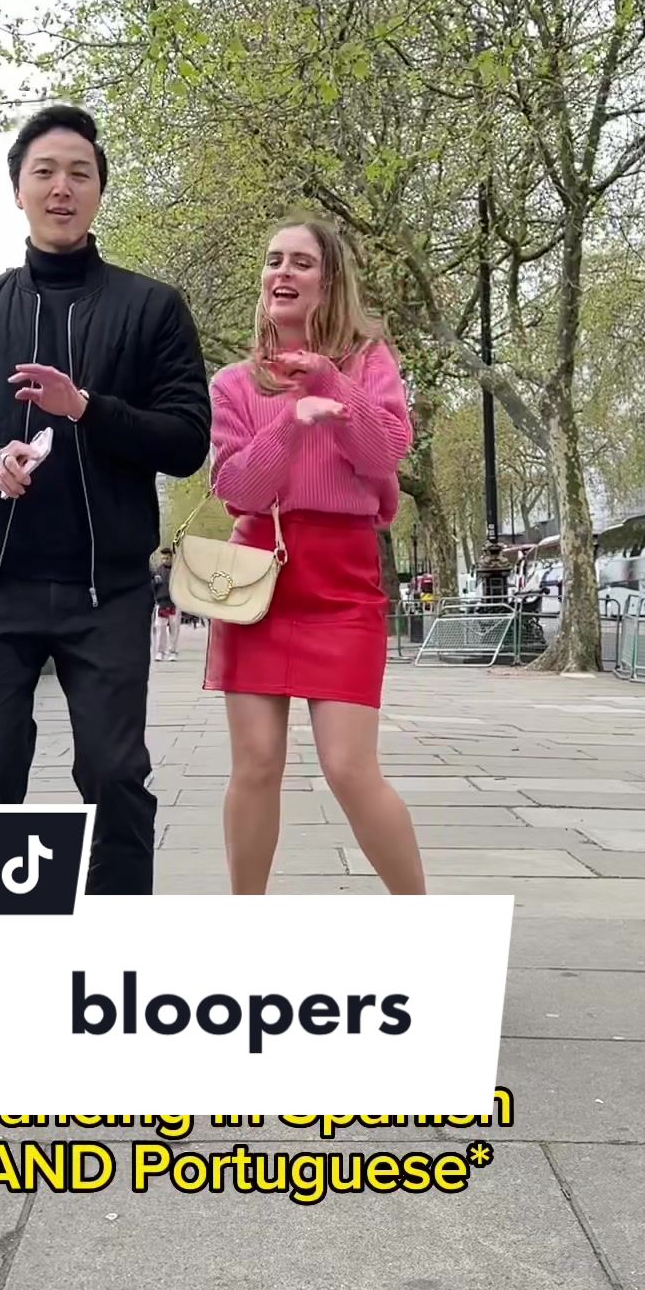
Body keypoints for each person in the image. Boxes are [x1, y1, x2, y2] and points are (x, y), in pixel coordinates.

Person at [0, 102, 211, 1033]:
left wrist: (89, 411)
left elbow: (187, 439)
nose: (61, 187)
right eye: (44, 171)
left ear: (98, 192)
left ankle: (114, 989)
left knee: (115, 774)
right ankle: (5, 997)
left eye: (79, 172)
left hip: (107, 589)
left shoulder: (152, 308)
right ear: (18, 190)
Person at [204, 216, 426, 897]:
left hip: (343, 580)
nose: (283, 273)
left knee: (349, 768)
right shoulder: (233, 384)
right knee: (256, 765)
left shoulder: (369, 362)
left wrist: (331, 383)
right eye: (274, 260)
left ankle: (425, 925)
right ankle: (246, 923)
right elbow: (236, 489)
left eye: (301, 263)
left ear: (329, 281)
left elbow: (386, 452)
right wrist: (290, 426)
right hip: (258, 579)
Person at [151, 547, 182, 661]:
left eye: (167, 558)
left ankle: (172, 651)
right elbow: (152, 588)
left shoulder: (177, 571)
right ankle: (160, 651)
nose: (165, 560)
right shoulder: (157, 572)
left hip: (175, 603)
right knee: (160, 628)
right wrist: (154, 583)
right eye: (163, 558)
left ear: (171, 557)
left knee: (174, 628)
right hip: (161, 603)